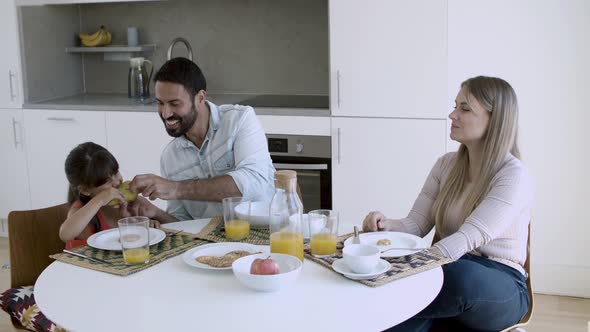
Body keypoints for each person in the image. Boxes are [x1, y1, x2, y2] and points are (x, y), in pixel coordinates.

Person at [363, 76, 532, 331]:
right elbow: (415, 225)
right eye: (455, 106)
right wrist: (384, 226)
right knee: (412, 314)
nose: (452, 115)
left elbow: (467, 238)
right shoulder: (445, 165)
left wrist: (397, 270)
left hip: (499, 283)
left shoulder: (512, 174)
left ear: (495, 119)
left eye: (465, 108)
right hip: (445, 272)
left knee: (457, 278)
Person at [129, 57, 275, 220]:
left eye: (175, 104)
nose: (165, 113)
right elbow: (183, 223)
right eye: (160, 103)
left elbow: (255, 183)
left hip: (264, 234)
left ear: (200, 98)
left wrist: (176, 189)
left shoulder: (239, 120)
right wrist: (155, 213)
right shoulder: (170, 157)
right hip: (210, 242)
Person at [59, 142, 175, 249]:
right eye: (106, 181)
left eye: (116, 172)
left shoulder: (130, 203)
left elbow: (180, 229)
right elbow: (65, 234)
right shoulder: (82, 213)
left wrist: (150, 220)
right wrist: (99, 200)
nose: (117, 181)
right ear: (85, 190)